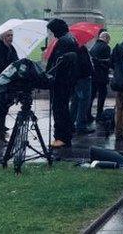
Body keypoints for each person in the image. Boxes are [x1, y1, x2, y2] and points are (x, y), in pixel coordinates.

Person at [46, 19, 79, 149]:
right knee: (62, 109)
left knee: (59, 110)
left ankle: (61, 137)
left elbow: (58, 64)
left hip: (60, 82)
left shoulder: (64, 41)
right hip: (66, 82)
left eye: (53, 31)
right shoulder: (69, 39)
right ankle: (65, 135)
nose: (53, 34)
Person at [0, 30, 19, 148]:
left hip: (9, 83)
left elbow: (16, 61)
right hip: (1, 83)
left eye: (12, 35)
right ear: (2, 37)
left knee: (4, 110)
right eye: (8, 35)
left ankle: (1, 137)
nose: (10, 37)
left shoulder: (11, 48)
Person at [70, 45, 94, 135]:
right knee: (83, 103)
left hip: (76, 79)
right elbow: (84, 64)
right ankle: (81, 126)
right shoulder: (81, 48)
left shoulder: (72, 48)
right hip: (83, 79)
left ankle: (70, 124)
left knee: (75, 103)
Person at [89, 31, 111, 121]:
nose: (109, 42)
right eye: (108, 39)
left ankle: (87, 113)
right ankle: (99, 114)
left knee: (92, 95)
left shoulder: (93, 47)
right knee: (102, 95)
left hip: (93, 75)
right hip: (102, 76)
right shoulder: (106, 47)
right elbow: (107, 62)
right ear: (105, 38)